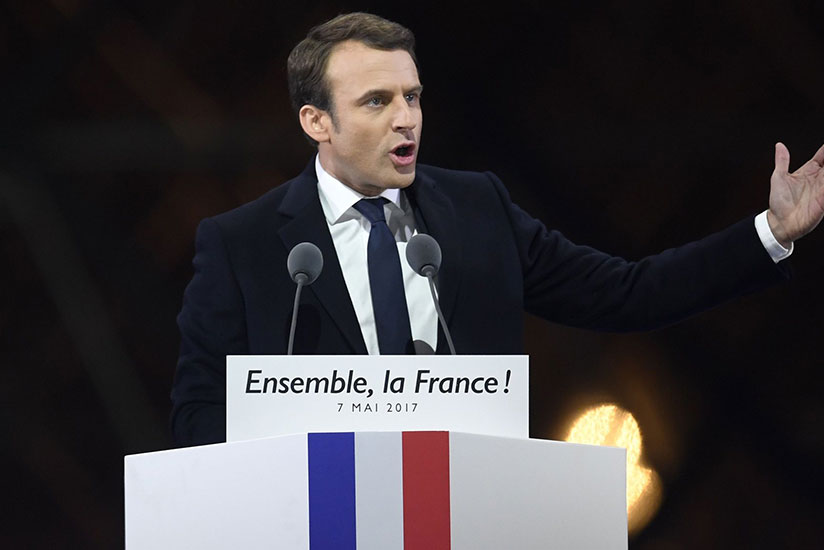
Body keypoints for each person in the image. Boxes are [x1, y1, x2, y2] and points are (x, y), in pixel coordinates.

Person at [171, 12, 824, 447]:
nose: (407, 119)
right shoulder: (243, 245)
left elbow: (629, 292)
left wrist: (771, 230)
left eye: (413, 96)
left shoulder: (477, 208)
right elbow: (196, 418)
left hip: (466, 516)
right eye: (378, 101)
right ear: (317, 122)